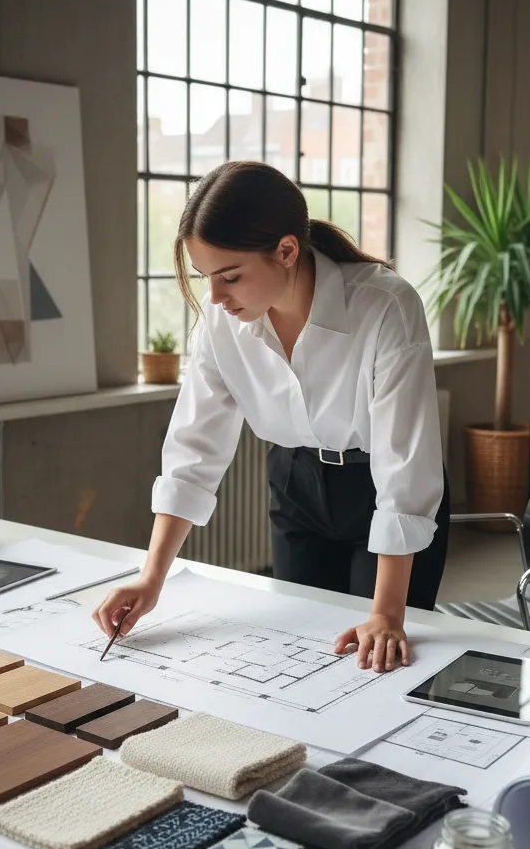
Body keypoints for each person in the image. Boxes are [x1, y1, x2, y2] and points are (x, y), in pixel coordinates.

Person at [94, 161, 449, 673]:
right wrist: (151, 578)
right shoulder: (221, 324)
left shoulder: (385, 305)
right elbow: (193, 452)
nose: (214, 298)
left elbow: (405, 466)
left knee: (379, 664)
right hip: (296, 485)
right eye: (206, 278)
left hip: (383, 491)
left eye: (230, 276)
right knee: (300, 652)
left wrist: (388, 613)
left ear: (286, 251)